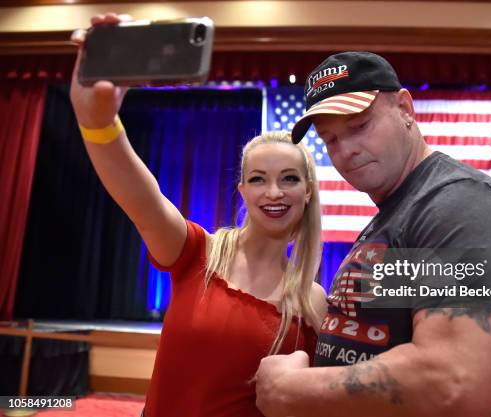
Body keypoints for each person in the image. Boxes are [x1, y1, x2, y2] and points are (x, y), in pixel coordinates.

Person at [69, 13, 328, 417]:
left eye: (289, 178)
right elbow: (142, 197)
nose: (274, 192)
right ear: (242, 190)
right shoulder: (199, 254)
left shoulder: (314, 304)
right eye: (258, 179)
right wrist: (97, 122)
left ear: (307, 191)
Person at [255, 52, 491, 417]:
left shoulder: (462, 203)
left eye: (358, 126)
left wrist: (291, 389)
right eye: (330, 139)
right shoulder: (396, 213)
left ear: (405, 109)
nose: (345, 151)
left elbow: (454, 382)